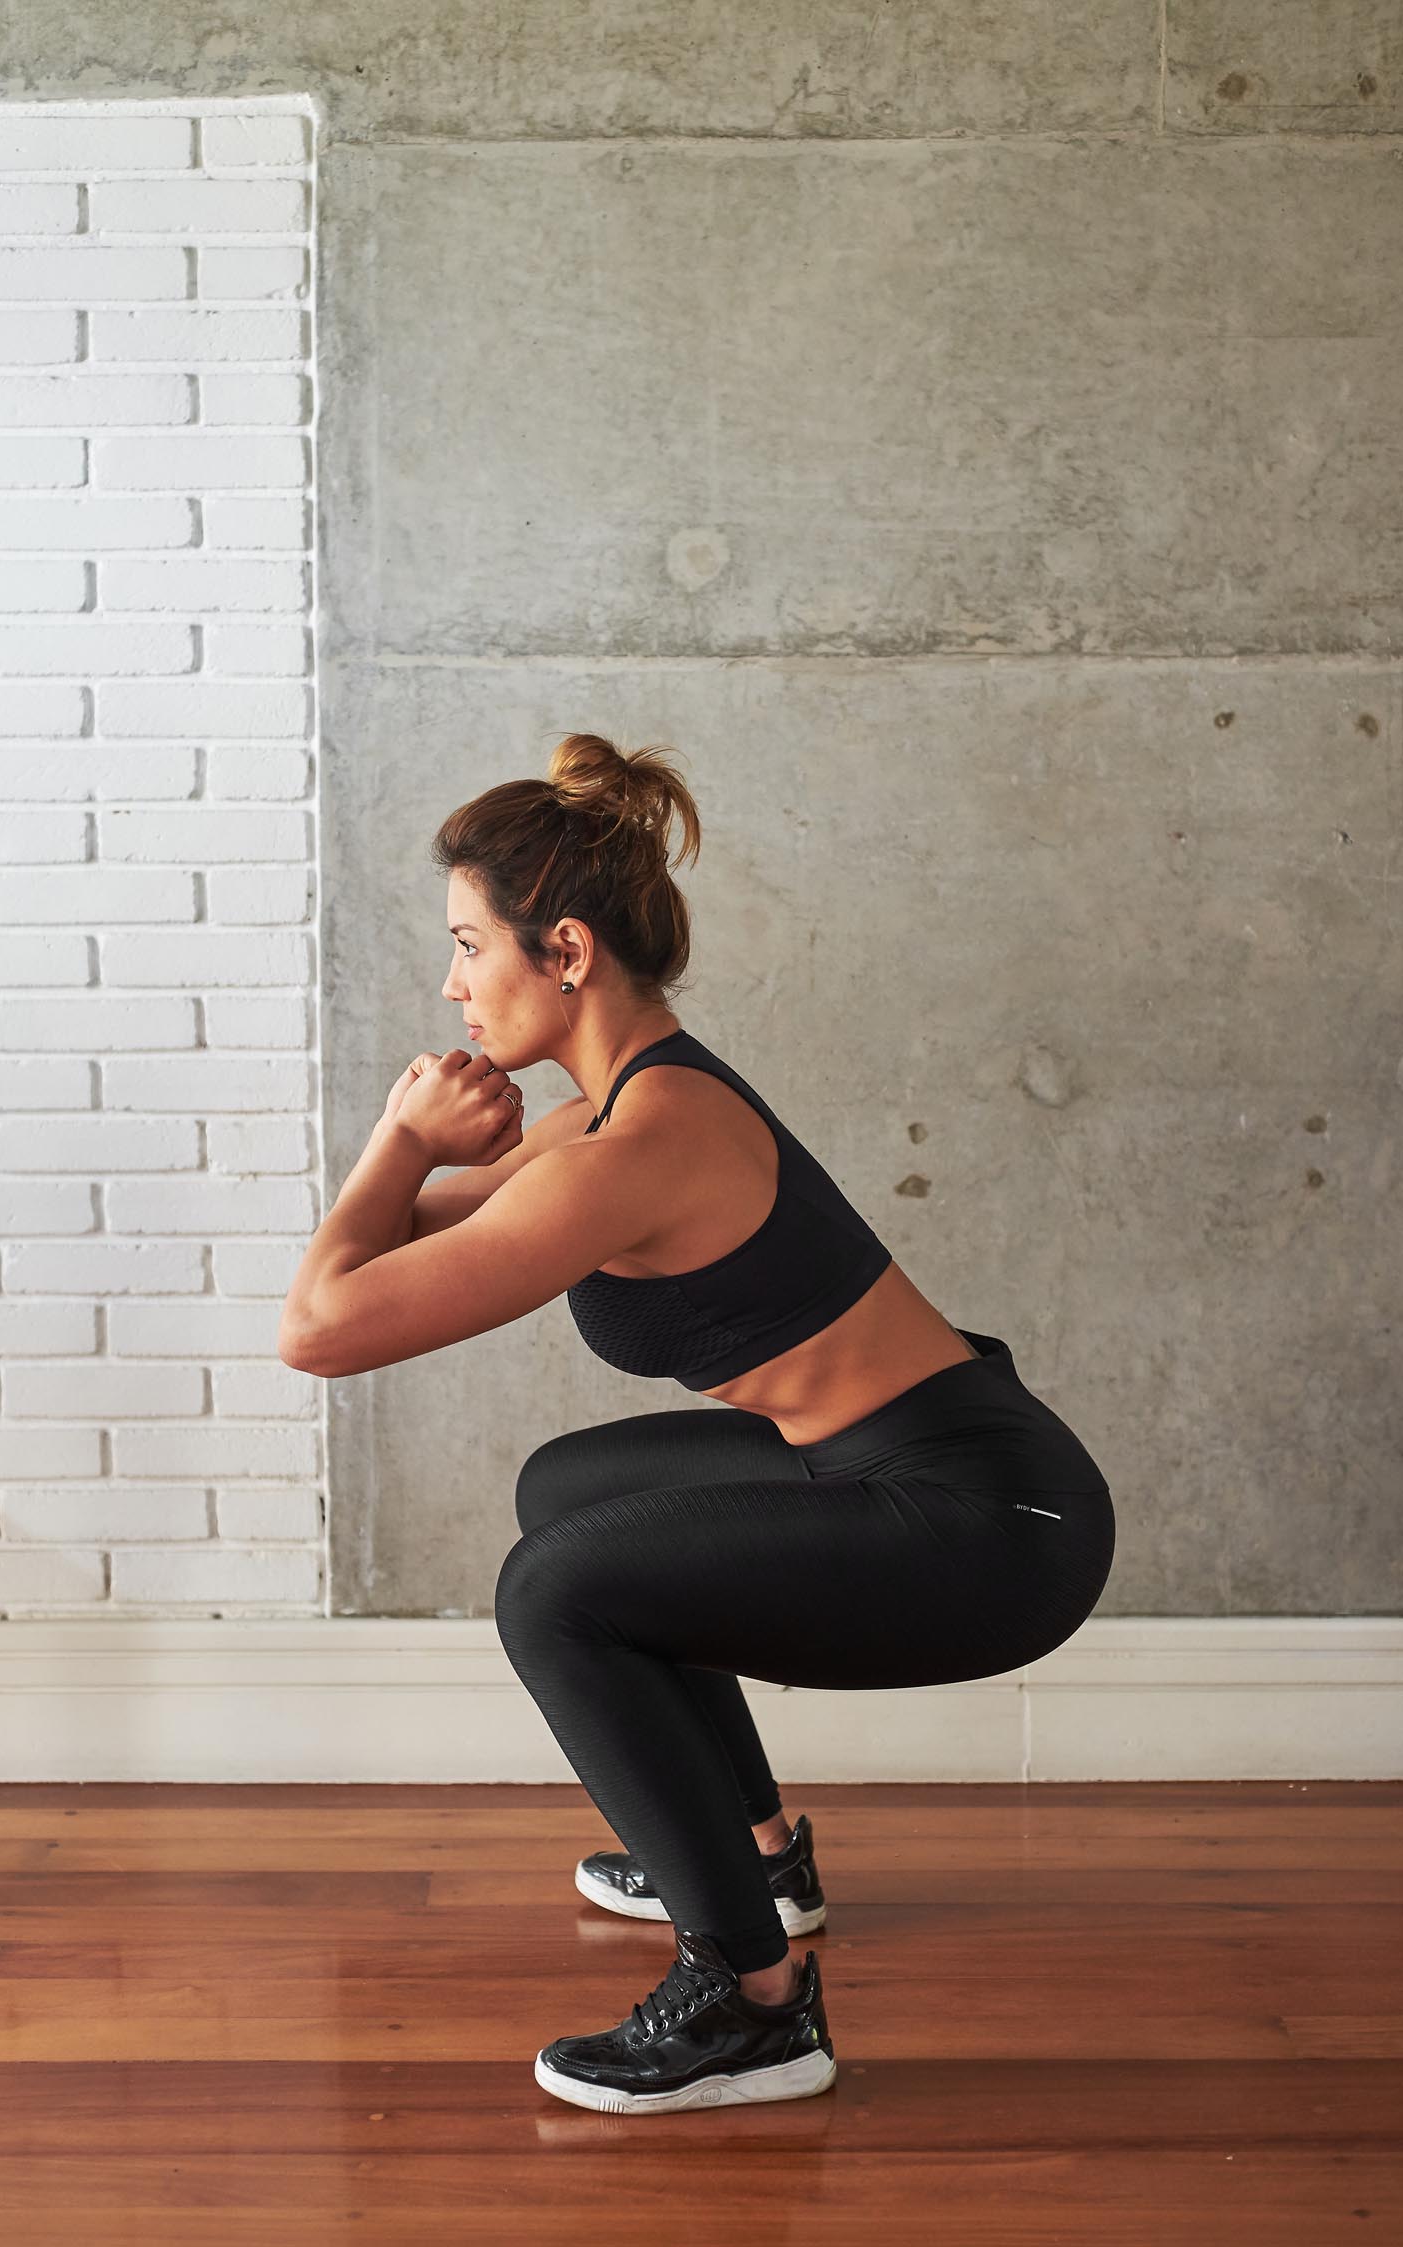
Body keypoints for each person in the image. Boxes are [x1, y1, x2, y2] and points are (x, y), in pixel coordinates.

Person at [279, 732, 1117, 2116]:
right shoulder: (617, 1108)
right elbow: (368, 1262)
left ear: (563, 950)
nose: (450, 984)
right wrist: (414, 1160)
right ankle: (759, 1860)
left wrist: (407, 1138)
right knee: (569, 1495)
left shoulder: (636, 1149)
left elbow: (321, 1327)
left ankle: (753, 2001)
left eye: (465, 944)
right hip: (899, 1463)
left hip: (991, 1524)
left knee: (555, 1592)